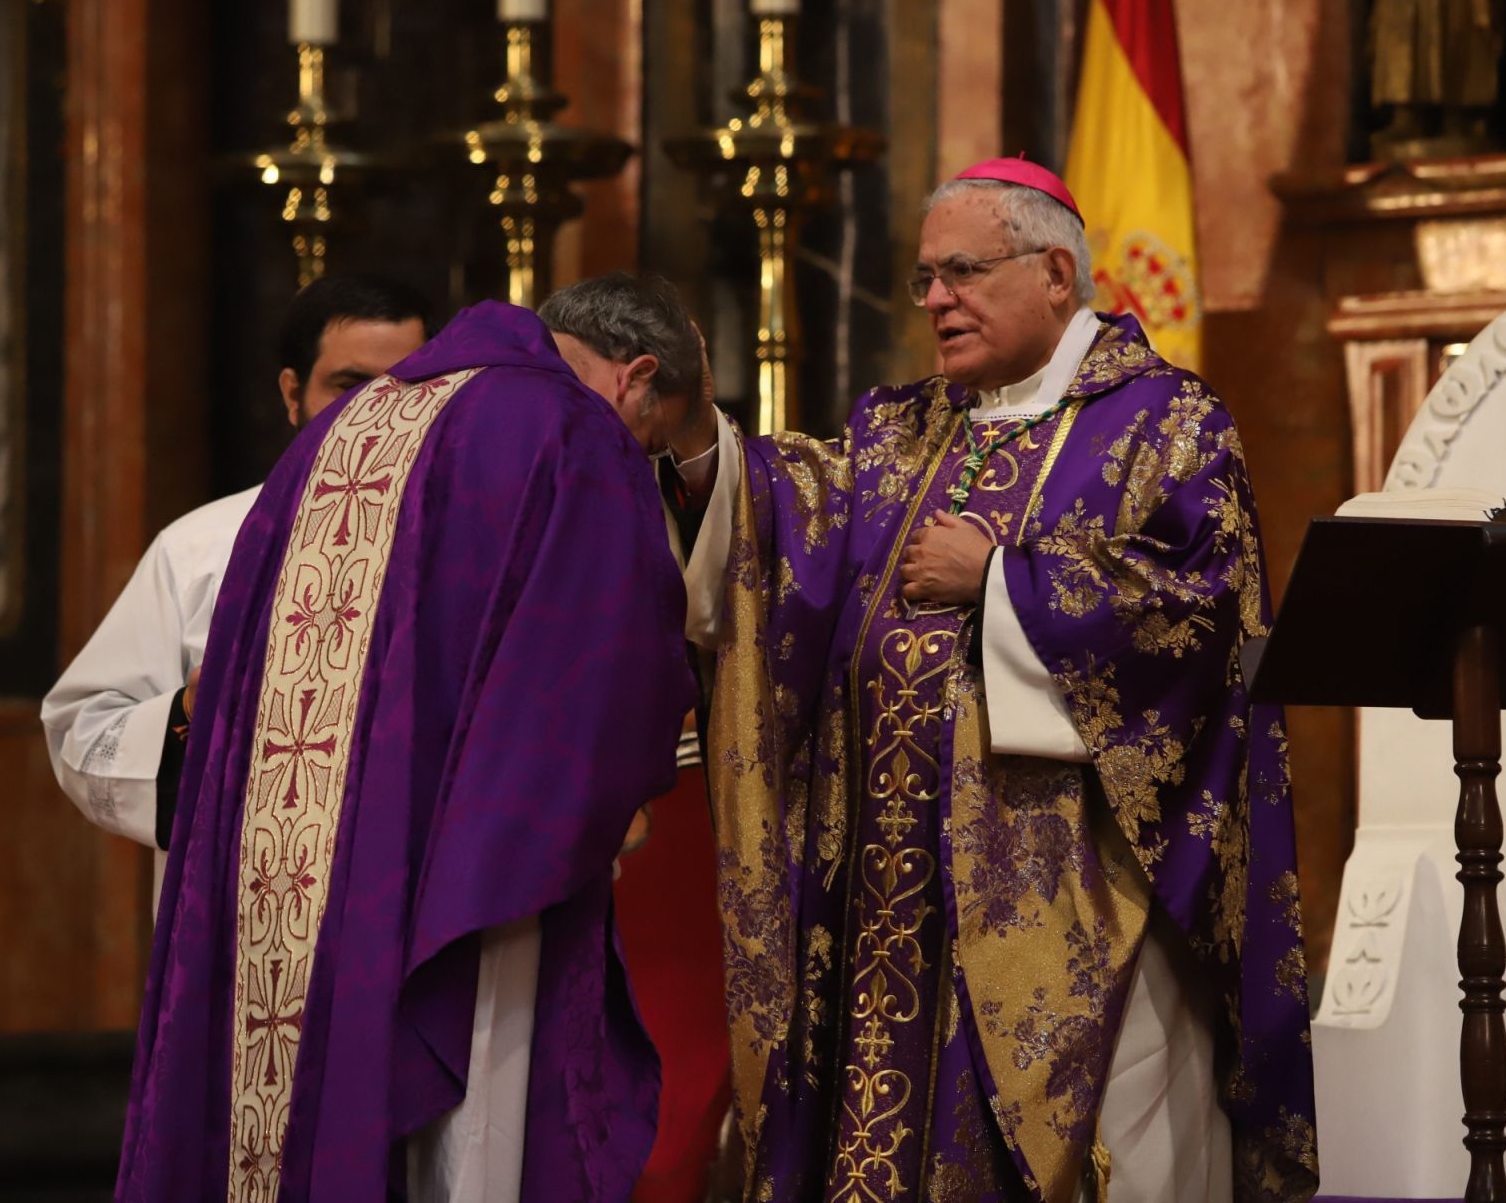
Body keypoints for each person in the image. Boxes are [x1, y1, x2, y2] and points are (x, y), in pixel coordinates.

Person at [669, 158, 1317, 1202]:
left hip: (1070, 895)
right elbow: (789, 532)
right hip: (890, 900)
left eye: (961, 271)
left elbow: (1204, 619)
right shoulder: (905, 425)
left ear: (1056, 272)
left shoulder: (1167, 422)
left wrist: (1004, 582)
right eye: (926, 277)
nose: (932, 299)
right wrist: (701, 438)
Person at [115, 297, 699, 1201]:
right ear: (634, 380)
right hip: (478, 887)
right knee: (479, 1136)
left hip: (304, 884)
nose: (642, 454)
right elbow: (611, 669)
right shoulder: (572, 431)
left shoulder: (341, 431)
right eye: (654, 439)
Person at [40, 274, 430, 900]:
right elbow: (83, 731)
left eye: (406, 389)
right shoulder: (200, 549)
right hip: (244, 914)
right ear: (292, 393)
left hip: (411, 908)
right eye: (349, 386)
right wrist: (189, 713)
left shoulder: (472, 549)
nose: (376, 416)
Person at [541, 273, 734, 1203]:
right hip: (520, 849)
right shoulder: (505, 454)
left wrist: (692, 436)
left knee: (657, 1125)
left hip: (661, 843)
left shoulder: (643, 478)